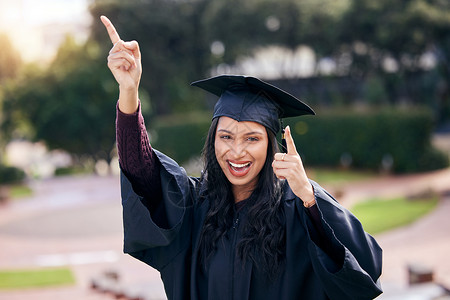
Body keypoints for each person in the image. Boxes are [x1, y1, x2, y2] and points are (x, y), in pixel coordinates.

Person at [101, 15, 383, 300]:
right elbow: (141, 169)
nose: (236, 152)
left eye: (252, 139)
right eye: (226, 137)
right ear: (213, 141)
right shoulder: (196, 206)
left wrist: (309, 198)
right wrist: (129, 91)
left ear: (271, 146)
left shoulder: (296, 208)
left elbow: (362, 270)